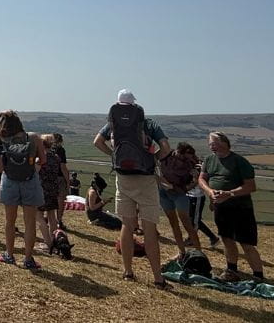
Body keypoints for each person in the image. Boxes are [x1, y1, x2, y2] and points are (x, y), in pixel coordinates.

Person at [92, 89, 172, 288]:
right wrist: (153, 159)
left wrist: (113, 155)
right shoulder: (148, 123)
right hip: (145, 178)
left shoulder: (112, 124)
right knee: (150, 229)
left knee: (127, 225)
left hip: (123, 177)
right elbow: (166, 147)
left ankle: (128, 272)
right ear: (135, 104)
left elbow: (97, 142)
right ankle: (157, 278)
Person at [200, 131, 265, 282]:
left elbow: (250, 186)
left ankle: (258, 276)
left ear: (223, 142)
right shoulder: (209, 160)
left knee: (246, 243)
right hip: (221, 207)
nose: (210, 146)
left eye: (213, 143)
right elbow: (202, 178)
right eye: (210, 143)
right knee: (226, 239)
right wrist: (210, 192)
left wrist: (229, 194)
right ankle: (231, 271)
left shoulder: (239, 161)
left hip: (241, 208)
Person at [0, 110, 46, 271]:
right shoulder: (34, 137)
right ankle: (28, 259)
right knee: (30, 223)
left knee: (10, 221)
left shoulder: (3, 138)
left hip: (9, 180)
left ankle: (9, 255)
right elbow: (43, 160)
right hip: (29, 180)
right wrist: (32, 165)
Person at [158, 142, 204, 258]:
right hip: (164, 192)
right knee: (173, 223)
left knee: (187, 224)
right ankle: (181, 252)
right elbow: (155, 165)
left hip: (179, 193)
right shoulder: (166, 155)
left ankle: (199, 254)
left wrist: (176, 187)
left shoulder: (191, 163)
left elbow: (194, 182)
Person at [37, 134, 69, 250]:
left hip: (41, 190)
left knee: (39, 216)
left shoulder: (40, 158)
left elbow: (36, 173)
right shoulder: (56, 157)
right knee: (51, 216)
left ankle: (48, 243)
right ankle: (54, 239)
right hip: (53, 189)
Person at [186, 157, 220, 247]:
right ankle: (212, 238)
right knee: (193, 220)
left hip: (197, 196)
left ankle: (192, 239)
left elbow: (199, 182)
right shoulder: (192, 168)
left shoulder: (198, 169)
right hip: (191, 195)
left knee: (195, 221)